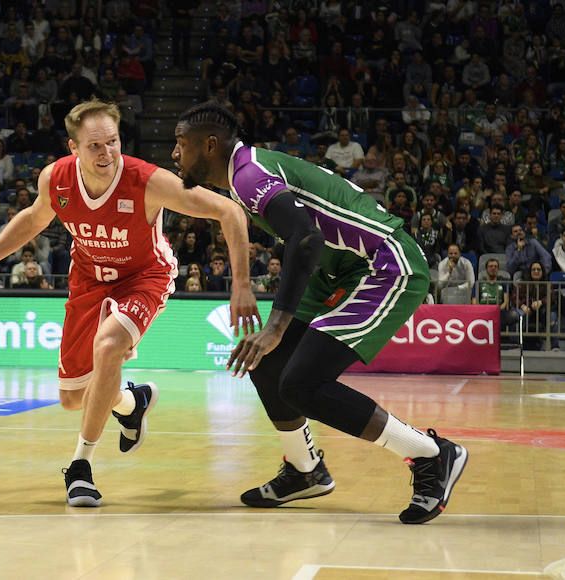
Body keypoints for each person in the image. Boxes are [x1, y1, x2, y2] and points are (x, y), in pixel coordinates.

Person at [172, 102, 467, 525]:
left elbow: (305, 238)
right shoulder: (247, 173)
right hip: (340, 270)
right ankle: (305, 470)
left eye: (181, 145)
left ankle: (431, 455)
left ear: (210, 146)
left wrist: (276, 325)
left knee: (302, 383)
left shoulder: (249, 174)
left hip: (383, 264)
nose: (175, 155)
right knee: (268, 363)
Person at [0, 100, 259, 508]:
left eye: (112, 142)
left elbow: (230, 211)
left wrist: (241, 283)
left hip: (144, 277)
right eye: (95, 145)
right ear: (73, 148)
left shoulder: (149, 181)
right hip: (88, 279)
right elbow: (31, 220)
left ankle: (80, 467)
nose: (106, 153)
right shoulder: (56, 180)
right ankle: (133, 403)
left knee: (109, 346)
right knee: (72, 398)